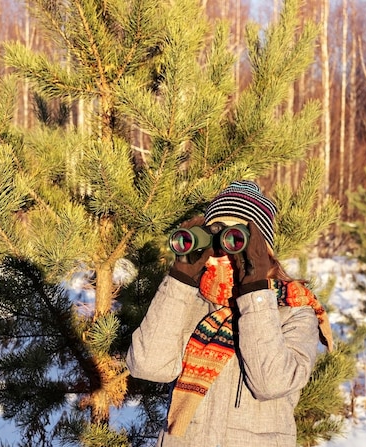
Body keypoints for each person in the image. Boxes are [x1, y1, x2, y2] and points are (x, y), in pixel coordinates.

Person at [126, 180, 333, 447]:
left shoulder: (294, 310)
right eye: (216, 238)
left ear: (262, 250)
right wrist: (179, 280)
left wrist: (255, 291)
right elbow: (147, 365)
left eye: (236, 239)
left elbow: (271, 383)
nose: (224, 250)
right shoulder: (188, 299)